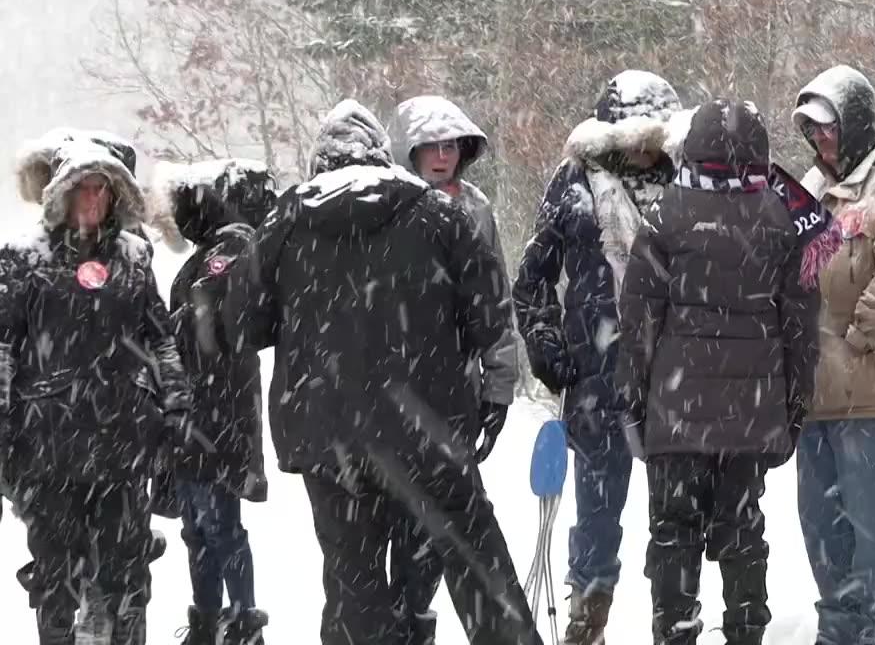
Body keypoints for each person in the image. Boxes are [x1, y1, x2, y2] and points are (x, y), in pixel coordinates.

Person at [223, 100, 540, 645]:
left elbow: (242, 325)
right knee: (474, 561)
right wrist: (493, 393)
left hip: (327, 432)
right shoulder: (439, 215)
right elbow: (489, 312)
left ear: (322, 160)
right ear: (382, 153)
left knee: (355, 579)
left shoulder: (287, 219)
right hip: (428, 424)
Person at [617, 99, 819, 645]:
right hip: (750, 415)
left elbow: (638, 321)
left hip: (676, 414)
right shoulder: (781, 220)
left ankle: (676, 629)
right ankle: (746, 628)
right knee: (742, 530)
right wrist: (793, 406)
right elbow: (800, 326)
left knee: (673, 534)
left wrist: (632, 398)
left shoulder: (665, 217)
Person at [0, 139, 194, 645]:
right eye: (82, 189)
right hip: (48, 450)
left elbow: (158, 337)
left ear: (115, 196)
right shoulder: (22, 258)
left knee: (127, 573)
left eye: (102, 190)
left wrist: (176, 405)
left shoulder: (133, 256)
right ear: (61, 194)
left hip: (123, 446)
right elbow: (2, 348)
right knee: (55, 576)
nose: (92, 200)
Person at [513, 70, 683, 644]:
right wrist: (545, 344)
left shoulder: (687, 184)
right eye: (630, 136)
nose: (640, 148)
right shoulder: (574, 183)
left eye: (650, 137)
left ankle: (673, 617)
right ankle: (588, 620)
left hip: (673, 374)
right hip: (594, 376)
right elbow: (531, 278)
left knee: (675, 515)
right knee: (597, 515)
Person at [792, 65, 875, 645]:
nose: (821, 141)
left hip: (873, 391)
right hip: (814, 395)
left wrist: (849, 337)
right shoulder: (811, 187)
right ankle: (841, 629)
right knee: (823, 529)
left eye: (828, 128)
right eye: (812, 131)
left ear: (856, 122)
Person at [388, 95, 519, 643]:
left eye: (450, 146)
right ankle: (402, 616)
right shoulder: (387, 207)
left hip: (456, 388)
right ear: (409, 151)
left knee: (448, 520)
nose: (441, 156)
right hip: (394, 386)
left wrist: (500, 386)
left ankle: (416, 614)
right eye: (430, 146)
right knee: (397, 513)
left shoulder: (476, 209)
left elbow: (496, 302)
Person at [149, 158, 276, 645]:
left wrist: (164, 326)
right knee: (198, 528)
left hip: (216, 410)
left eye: (185, 208)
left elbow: (214, 322)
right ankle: (208, 620)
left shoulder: (232, 247)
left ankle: (243, 621)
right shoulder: (212, 250)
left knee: (220, 525)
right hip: (196, 409)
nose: (180, 219)